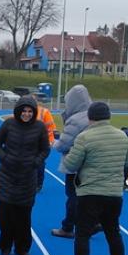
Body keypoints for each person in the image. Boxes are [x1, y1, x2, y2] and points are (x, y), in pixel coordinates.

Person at [59, 102, 128, 255]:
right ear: (108, 116)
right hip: (114, 193)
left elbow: (71, 164)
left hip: (90, 192)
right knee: (113, 233)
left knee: (82, 234)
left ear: (90, 117)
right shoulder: (122, 136)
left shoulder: (85, 137)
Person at [0, 96, 50, 255]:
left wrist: (35, 163)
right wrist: (4, 157)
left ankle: (22, 247)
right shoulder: (8, 124)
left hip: (27, 177)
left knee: (24, 216)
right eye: (24, 111)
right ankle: (5, 246)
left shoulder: (39, 127)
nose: (26, 114)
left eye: (30, 111)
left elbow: (45, 150)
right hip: (6, 176)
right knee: (5, 216)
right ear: (18, 111)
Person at [51, 85, 93, 238]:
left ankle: (68, 227)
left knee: (73, 196)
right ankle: (94, 222)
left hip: (75, 165)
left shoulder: (76, 120)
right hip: (93, 165)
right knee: (89, 196)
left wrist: (54, 143)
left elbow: (64, 145)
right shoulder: (94, 116)